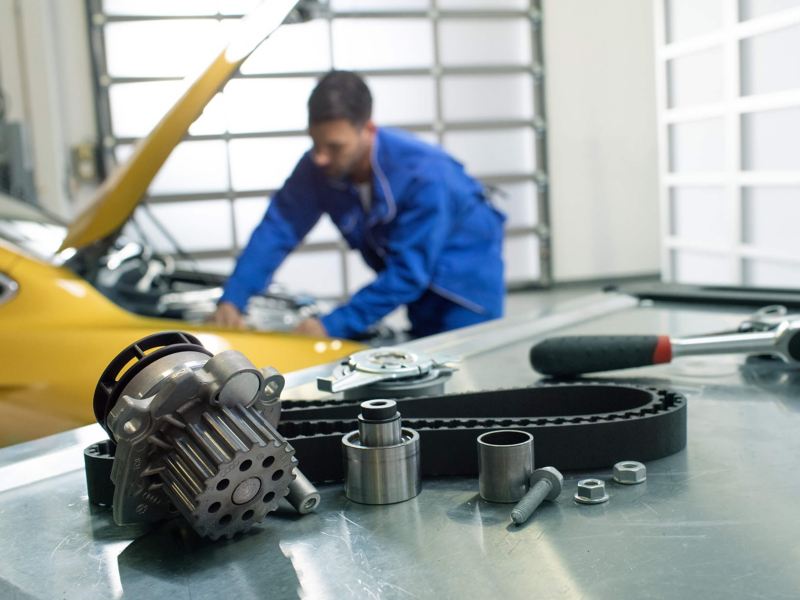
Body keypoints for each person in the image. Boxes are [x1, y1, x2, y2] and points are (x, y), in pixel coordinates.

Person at [213, 70, 505, 339]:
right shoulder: (317, 167)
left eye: (335, 147)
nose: (321, 158)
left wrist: (332, 325)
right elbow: (278, 228)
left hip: (464, 293)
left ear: (368, 129)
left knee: (459, 381)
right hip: (418, 292)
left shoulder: (426, 174)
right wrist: (234, 297)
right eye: (315, 143)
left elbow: (408, 272)